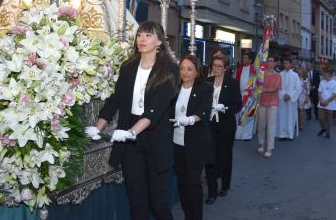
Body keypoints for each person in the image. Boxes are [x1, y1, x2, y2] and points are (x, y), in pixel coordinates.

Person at [85, 21, 178, 220]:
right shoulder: (128, 67)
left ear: (160, 41)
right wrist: (97, 127)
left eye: (148, 35)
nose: (142, 39)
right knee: (137, 201)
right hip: (131, 144)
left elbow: (155, 110)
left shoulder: (169, 69)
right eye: (140, 35)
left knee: (158, 203)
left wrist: (131, 132)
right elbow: (115, 100)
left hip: (154, 138)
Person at [173, 55, 213, 220]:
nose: (185, 72)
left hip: (195, 143)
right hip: (177, 143)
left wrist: (191, 119)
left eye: (189, 69)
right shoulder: (174, 88)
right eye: (182, 68)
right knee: (181, 183)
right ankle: (187, 215)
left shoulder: (205, 88)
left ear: (197, 72)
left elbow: (204, 110)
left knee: (193, 183)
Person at [205, 56, 243, 204]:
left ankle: (225, 186)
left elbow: (238, 105)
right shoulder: (207, 82)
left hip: (226, 127)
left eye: (220, 66)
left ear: (225, 68)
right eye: (214, 65)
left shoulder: (232, 84)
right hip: (210, 126)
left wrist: (225, 108)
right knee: (210, 158)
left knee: (225, 157)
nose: (217, 68)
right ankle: (212, 192)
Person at [257, 57, 282, 157]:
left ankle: (270, 148)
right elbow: (257, 85)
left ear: (275, 63)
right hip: (262, 102)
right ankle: (261, 143)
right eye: (268, 61)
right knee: (261, 125)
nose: (270, 62)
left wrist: (265, 90)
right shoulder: (261, 74)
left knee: (271, 126)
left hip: (272, 103)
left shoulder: (278, 75)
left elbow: (276, 88)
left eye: (272, 61)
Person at [276, 58, 302, 139]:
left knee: (291, 116)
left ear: (290, 64)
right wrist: (284, 94)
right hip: (282, 99)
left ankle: (290, 134)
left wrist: (290, 95)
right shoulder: (280, 74)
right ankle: (282, 134)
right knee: (282, 116)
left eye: (287, 63)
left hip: (291, 100)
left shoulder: (295, 75)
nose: (285, 64)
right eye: (284, 63)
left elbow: (298, 88)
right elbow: (278, 86)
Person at [235, 53, 256, 140]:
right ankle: (238, 134)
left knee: (248, 114)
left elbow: (256, 83)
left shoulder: (254, 70)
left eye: (246, 58)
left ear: (250, 60)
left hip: (249, 95)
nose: (244, 60)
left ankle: (246, 135)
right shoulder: (239, 69)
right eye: (243, 58)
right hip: (240, 94)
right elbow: (235, 81)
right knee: (239, 114)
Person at [317, 69, 336, 139]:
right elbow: (319, 92)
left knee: (329, 118)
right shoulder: (322, 82)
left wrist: (327, 101)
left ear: (330, 75)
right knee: (320, 117)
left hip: (330, 104)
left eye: (326, 74)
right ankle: (324, 128)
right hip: (322, 103)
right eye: (324, 74)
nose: (324, 75)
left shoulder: (335, 83)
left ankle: (328, 132)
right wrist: (322, 100)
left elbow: (334, 95)